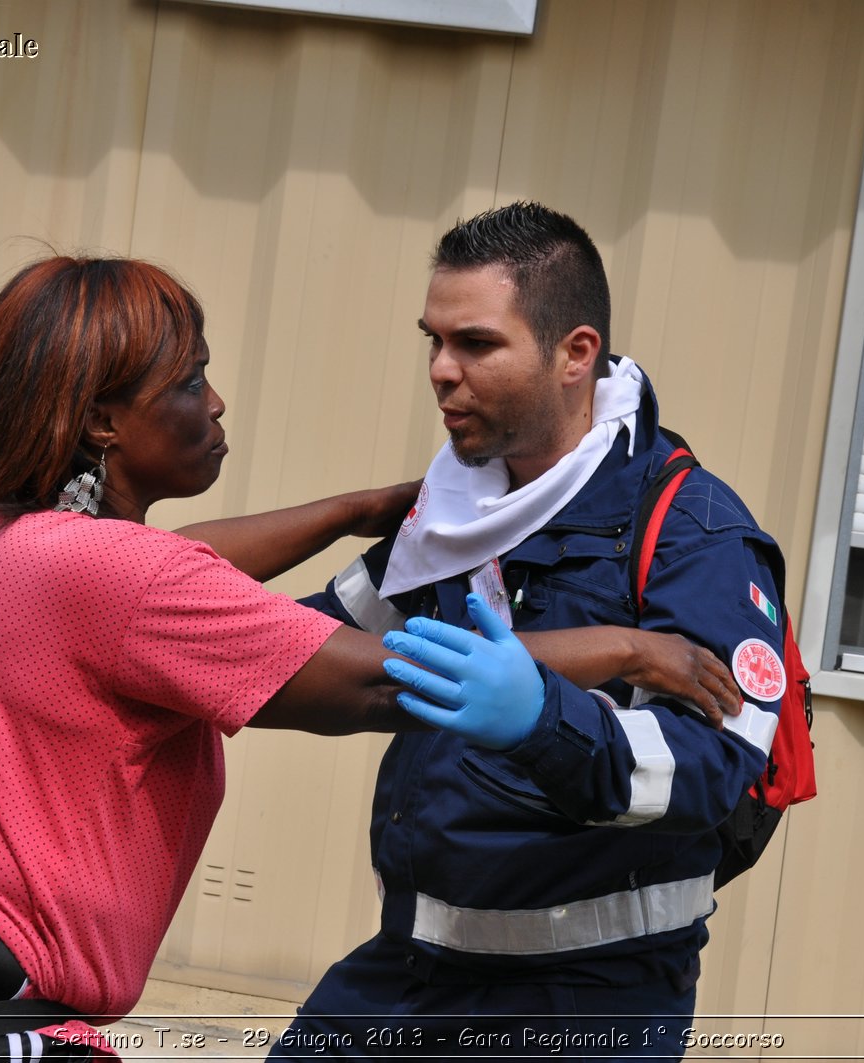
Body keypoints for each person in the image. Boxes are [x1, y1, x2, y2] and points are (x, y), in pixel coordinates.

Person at [0, 255, 720, 1061]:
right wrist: (630, 646)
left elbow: (182, 559)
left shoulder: (9, 537)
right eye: (186, 380)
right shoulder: (103, 575)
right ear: (102, 423)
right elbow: (369, 678)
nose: (214, 401)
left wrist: (366, 509)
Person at [273, 202, 787, 1060]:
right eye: (432, 341)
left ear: (575, 354)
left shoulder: (694, 528)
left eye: (475, 344)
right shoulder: (456, 510)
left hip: (584, 1000)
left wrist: (543, 721)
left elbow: (715, 768)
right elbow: (306, 649)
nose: (441, 370)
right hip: (411, 972)